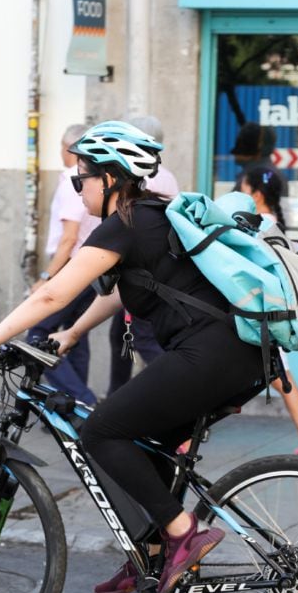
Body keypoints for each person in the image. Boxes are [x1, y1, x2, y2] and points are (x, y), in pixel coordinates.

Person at [0, 121, 265, 593]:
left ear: (111, 179)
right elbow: (123, 293)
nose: (78, 188)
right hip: (238, 355)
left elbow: (53, 293)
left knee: (101, 430)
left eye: (83, 179)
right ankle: (152, 552)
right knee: (144, 441)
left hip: (210, 353)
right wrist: (73, 333)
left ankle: (184, 534)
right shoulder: (150, 217)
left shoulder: (122, 225)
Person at [239, 164, 298, 460]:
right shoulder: (274, 223)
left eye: (244, 188)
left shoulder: (257, 225)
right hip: (269, 313)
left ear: (257, 194)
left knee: (282, 379)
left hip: (262, 315)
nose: (239, 193)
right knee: (282, 379)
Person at [104, 115, 179, 395]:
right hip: (147, 274)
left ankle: (182, 392)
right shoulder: (163, 175)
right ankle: (116, 394)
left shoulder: (149, 178)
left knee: (141, 338)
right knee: (120, 336)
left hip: (145, 275)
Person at [26, 124, 97, 406]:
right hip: (94, 267)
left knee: (37, 335)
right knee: (76, 336)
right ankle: (72, 409)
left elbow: (69, 238)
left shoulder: (73, 179)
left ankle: (82, 401)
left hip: (73, 266)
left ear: (69, 148)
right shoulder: (93, 178)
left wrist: (46, 277)